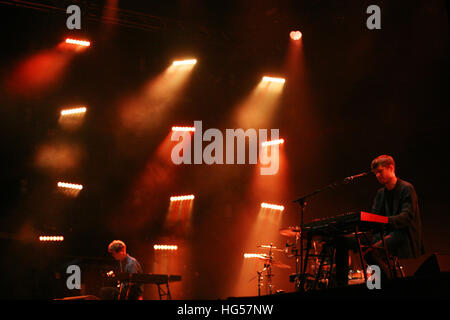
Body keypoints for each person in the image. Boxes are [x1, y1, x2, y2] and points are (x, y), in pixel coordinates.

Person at [335, 155, 425, 286]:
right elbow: (374, 218)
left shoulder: (406, 188)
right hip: (382, 233)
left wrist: (383, 221)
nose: (377, 176)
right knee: (343, 241)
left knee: (370, 252)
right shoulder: (380, 193)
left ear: (391, 168)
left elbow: (406, 217)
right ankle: (340, 285)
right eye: (375, 173)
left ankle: (381, 285)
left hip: (402, 234)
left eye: (380, 171)